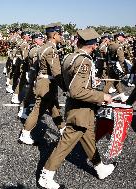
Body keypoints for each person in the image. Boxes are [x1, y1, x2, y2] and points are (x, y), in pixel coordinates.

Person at [38, 28, 116, 189]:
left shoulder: (70, 57)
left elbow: (68, 82)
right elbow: (77, 91)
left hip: (78, 109)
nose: (96, 46)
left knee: (88, 137)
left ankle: (100, 168)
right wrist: (103, 96)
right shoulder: (84, 61)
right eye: (95, 44)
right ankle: (46, 175)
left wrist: (90, 81)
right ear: (92, 45)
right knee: (65, 143)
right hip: (80, 110)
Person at [18, 23, 66, 145]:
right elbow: (57, 72)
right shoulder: (51, 50)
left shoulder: (43, 47)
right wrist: (66, 88)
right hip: (47, 84)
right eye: (60, 34)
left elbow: (36, 67)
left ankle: (62, 129)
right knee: (38, 110)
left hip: (43, 82)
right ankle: (25, 133)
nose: (62, 36)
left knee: (54, 107)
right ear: (54, 35)